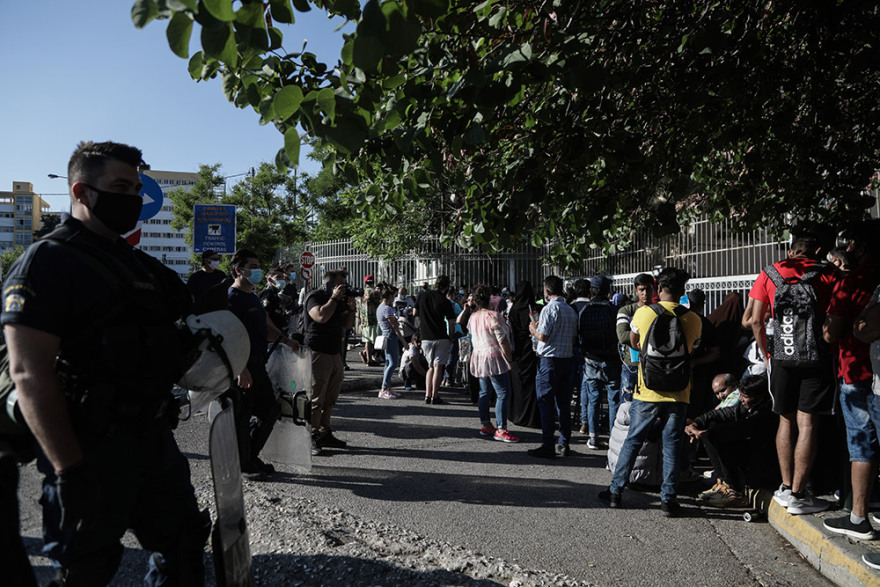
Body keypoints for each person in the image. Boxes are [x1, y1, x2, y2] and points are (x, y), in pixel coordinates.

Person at [2, 140, 210, 584]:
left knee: (185, 550)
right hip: (88, 447)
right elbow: (29, 373)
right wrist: (68, 469)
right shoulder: (47, 261)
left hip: (154, 441)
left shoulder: (140, 267)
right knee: (86, 570)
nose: (132, 198)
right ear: (80, 192)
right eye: (120, 186)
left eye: (136, 188)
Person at [747, 228, 839, 515]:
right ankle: (800, 493)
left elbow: (754, 321)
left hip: (781, 358)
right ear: (819, 252)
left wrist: (767, 355)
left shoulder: (770, 273)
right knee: (808, 423)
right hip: (817, 358)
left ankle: (786, 487)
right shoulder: (830, 274)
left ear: (791, 252)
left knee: (785, 421)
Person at [600, 267, 702, 516]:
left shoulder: (644, 313)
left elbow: (634, 343)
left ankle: (615, 492)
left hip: (647, 391)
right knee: (672, 444)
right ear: (682, 291)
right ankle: (669, 500)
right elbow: (693, 349)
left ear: (658, 288)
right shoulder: (693, 319)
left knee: (633, 441)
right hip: (679, 392)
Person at [822, 221, 880, 539]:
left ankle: (859, 517)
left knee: (862, 446)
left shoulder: (853, 281)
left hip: (858, 373)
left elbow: (830, 332)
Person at [228, 250, 297, 479]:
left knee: (270, 410)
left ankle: (249, 456)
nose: (257, 270)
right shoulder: (232, 298)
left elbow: (265, 327)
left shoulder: (253, 297)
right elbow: (226, 336)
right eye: (253, 266)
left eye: (258, 265)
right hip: (242, 367)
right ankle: (243, 464)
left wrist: (286, 340)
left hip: (258, 365)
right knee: (243, 415)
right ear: (239, 270)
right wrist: (240, 369)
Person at [686, 374, 779, 508]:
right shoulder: (744, 406)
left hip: (763, 465)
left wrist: (707, 433)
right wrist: (697, 424)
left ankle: (735, 492)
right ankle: (724, 483)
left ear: (759, 397)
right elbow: (722, 413)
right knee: (712, 426)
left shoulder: (766, 413)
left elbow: (740, 429)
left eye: (745, 397)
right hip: (751, 457)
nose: (740, 399)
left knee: (717, 435)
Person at [304, 270, 356, 451]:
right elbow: (320, 316)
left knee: (330, 398)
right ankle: (311, 435)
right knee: (316, 398)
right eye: (341, 284)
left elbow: (347, 325)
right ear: (331, 284)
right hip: (318, 352)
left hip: (335, 353)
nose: (344, 288)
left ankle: (325, 433)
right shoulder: (315, 296)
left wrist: (351, 309)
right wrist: (333, 298)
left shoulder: (339, 301)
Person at [527, 275, 578, 459]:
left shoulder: (549, 309)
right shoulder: (571, 311)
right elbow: (573, 339)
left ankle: (548, 444)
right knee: (563, 404)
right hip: (566, 359)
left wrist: (534, 329)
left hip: (549, 360)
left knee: (546, 402)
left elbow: (543, 336)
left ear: (547, 291)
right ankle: (564, 442)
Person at [469, 284, 519, 443]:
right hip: (494, 357)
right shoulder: (493, 316)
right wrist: (510, 360)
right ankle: (501, 429)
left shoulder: (473, 317)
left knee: (484, 392)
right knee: (503, 392)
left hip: (479, 357)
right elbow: (503, 341)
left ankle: (486, 424)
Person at [578, 275, 622, 450]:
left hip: (591, 360)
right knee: (613, 400)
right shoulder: (614, 310)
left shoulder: (585, 311)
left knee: (593, 399)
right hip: (611, 359)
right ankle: (613, 437)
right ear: (608, 292)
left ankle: (593, 437)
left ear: (591, 291)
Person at [414, 275, 457, 404]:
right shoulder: (446, 301)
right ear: (447, 287)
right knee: (438, 366)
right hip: (441, 336)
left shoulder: (422, 295)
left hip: (426, 336)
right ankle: (435, 395)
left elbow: (415, 312)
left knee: (430, 366)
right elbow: (451, 322)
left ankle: (427, 395)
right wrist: (451, 337)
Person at [507, 281, 542, 428]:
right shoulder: (534, 308)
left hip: (518, 350)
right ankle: (532, 417)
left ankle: (516, 414)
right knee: (532, 384)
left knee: (518, 383)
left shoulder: (513, 309)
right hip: (532, 349)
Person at [616, 274, 656, 401]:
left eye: (648, 289)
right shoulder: (626, 311)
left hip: (653, 364)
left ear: (654, 290)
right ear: (636, 291)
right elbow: (622, 336)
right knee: (626, 403)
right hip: (631, 365)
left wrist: (637, 338)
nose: (645, 293)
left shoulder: (658, 311)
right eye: (641, 290)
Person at [377, 288, 406, 399]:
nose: (394, 299)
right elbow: (395, 327)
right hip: (391, 336)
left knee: (388, 363)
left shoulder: (380, 308)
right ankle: (384, 388)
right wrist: (403, 341)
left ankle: (387, 387)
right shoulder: (387, 310)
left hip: (385, 335)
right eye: (393, 296)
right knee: (393, 363)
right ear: (389, 297)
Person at [359, 275, 381, 366]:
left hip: (364, 319)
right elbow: (379, 303)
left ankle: (367, 356)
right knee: (374, 340)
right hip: (373, 319)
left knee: (367, 340)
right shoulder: (374, 292)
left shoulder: (362, 292)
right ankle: (369, 358)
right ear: (373, 282)